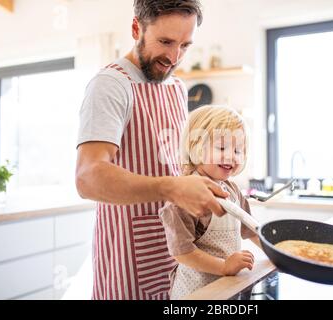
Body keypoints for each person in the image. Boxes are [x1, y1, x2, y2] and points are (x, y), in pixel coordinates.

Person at [75, 0, 229, 300]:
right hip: (128, 260)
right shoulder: (110, 85)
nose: (173, 57)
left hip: (178, 256)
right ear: (136, 28)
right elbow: (87, 177)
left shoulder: (176, 88)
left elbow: (175, 165)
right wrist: (171, 188)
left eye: (185, 45)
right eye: (165, 42)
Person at [159, 105, 261, 300]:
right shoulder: (184, 196)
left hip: (225, 288)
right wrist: (224, 266)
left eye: (238, 150)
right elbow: (181, 252)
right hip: (196, 292)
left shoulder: (233, 190)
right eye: (222, 147)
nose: (231, 156)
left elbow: (252, 230)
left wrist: (277, 254)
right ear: (196, 147)